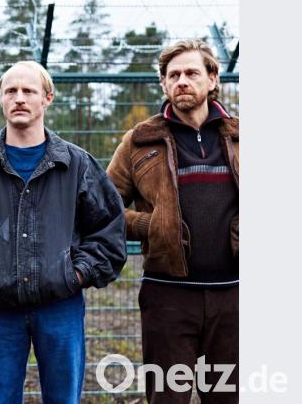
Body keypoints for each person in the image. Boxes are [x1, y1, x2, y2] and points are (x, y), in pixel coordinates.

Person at [0, 61, 126, 404]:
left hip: (61, 306)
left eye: (29, 91)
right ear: (1, 100)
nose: (19, 98)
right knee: (0, 398)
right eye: (11, 91)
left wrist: (75, 273)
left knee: (64, 398)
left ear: (47, 98)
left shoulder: (77, 164)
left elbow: (109, 232)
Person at [106, 39, 238, 403]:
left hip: (235, 296)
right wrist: (149, 225)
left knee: (228, 397)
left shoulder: (243, 137)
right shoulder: (139, 141)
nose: (182, 81)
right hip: (167, 298)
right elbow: (104, 208)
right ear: (164, 84)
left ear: (212, 79)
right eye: (173, 75)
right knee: (167, 398)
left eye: (192, 73)